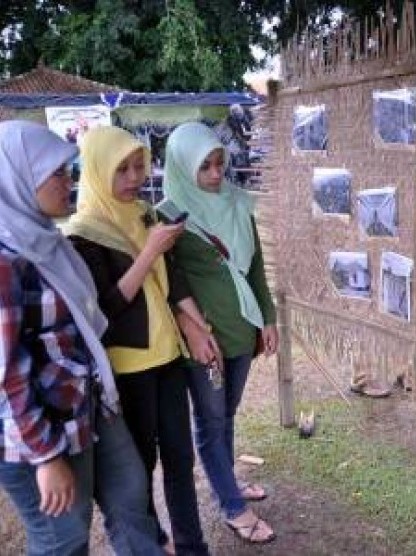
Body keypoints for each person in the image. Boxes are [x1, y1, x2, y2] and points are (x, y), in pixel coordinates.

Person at [0, 120, 163, 555]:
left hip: (88, 407)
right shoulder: (6, 260)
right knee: (64, 540)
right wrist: (46, 457)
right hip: (42, 432)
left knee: (131, 497)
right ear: (20, 177)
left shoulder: (48, 243)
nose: (68, 182)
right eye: (56, 173)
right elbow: (7, 376)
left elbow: (84, 323)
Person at [64, 126, 215, 556]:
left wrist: (196, 327)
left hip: (167, 357)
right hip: (128, 369)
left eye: (138, 167)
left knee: (180, 459)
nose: (134, 178)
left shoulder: (147, 213)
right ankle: (154, 542)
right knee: (140, 467)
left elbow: (174, 278)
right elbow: (105, 310)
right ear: (96, 173)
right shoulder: (82, 234)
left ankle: (191, 544)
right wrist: (148, 252)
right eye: (122, 170)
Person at [160, 122, 276, 544]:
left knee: (225, 414)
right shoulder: (169, 215)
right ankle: (232, 505)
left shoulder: (237, 202)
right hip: (203, 339)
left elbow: (256, 267)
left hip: (241, 330)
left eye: (218, 164)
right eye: (204, 167)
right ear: (181, 165)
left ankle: (225, 479)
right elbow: (171, 281)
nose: (214, 175)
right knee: (210, 422)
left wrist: (268, 318)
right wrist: (193, 327)